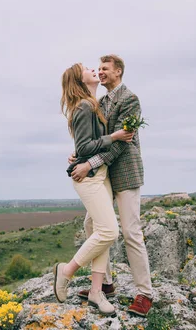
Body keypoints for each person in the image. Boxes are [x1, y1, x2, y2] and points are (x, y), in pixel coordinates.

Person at [69, 54, 153, 317]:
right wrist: (79, 157)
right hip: (103, 174)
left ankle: (144, 293)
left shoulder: (130, 100)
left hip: (125, 173)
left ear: (118, 71)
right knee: (92, 225)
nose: (101, 72)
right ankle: (104, 283)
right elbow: (97, 138)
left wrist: (88, 164)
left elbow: (119, 142)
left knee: (130, 232)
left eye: (105, 68)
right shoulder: (99, 101)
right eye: (99, 69)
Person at [54, 63, 134, 316]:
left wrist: (81, 151)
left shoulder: (92, 103)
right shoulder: (84, 106)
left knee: (102, 232)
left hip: (101, 175)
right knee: (109, 231)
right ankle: (66, 271)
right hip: (88, 178)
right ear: (79, 80)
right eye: (87, 69)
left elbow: (82, 147)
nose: (94, 70)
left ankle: (97, 292)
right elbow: (86, 146)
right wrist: (116, 136)